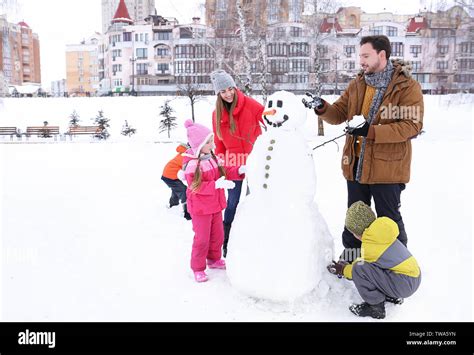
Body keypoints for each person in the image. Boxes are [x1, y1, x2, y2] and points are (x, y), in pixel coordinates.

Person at [305, 35, 424, 263]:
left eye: (366, 56)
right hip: (356, 163)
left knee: (389, 220)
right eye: (360, 56)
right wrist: (321, 107)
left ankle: (398, 267)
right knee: (355, 216)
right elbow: (339, 113)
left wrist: (371, 131)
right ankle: (351, 259)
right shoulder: (358, 83)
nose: (361, 61)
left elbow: (412, 125)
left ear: (382, 55)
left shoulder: (405, 85)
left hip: (387, 169)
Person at [328, 201, 421, 319]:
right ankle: (391, 294)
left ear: (357, 233)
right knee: (374, 269)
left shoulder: (371, 248)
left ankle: (375, 307)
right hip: (413, 276)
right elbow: (375, 266)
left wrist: (342, 269)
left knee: (359, 269)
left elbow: (358, 270)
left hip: (404, 283)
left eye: (353, 233)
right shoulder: (381, 233)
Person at [210, 69, 265, 257]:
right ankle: (227, 241)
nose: (228, 94)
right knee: (232, 203)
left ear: (234, 87)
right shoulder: (216, 114)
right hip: (233, 164)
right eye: (223, 91)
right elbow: (218, 145)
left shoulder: (249, 104)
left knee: (255, 201)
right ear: (218, 94)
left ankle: (255, 238)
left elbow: (267, 117)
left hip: (254, 161)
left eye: (230, 88)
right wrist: (224, 167)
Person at [183, 119, 246, 283]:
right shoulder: (192, 164)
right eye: (208, 141)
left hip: (216, 206)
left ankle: (213, 259)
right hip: (200, 209)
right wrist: (215, 185)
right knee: (202, 239)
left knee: (217, 236)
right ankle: (198, 267)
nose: (212, 144)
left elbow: (225, 170)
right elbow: (195, 186)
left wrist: (238, 170)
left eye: (211, 140)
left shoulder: (212, 158)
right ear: (198, 145)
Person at [161, 143, 191, 220]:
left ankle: (173, 204)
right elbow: (187, 170)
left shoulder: (183, 154)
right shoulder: (185, 156)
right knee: (183, 190)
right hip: (170, 176)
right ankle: (187, 212)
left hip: (169, 175)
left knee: (177, 189)